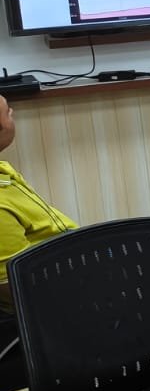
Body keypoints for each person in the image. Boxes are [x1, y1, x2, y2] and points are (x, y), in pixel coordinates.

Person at [0, 93, 76, 313]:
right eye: (7, 112)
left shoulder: (3, 171)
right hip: (57, 306)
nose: (13, 113)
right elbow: (13, 287)